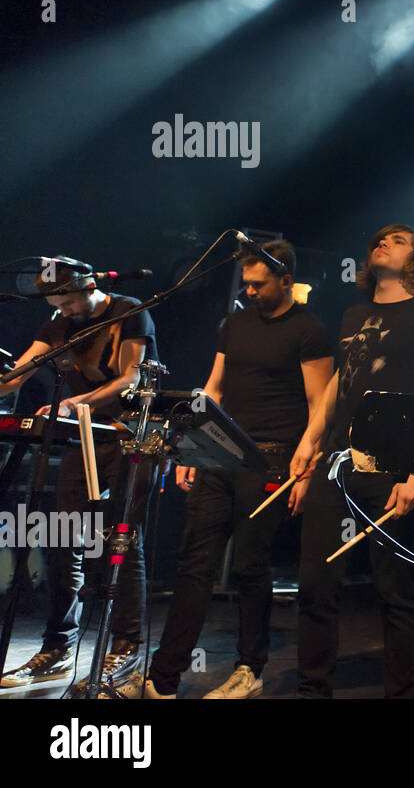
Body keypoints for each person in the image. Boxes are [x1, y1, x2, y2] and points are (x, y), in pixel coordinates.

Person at [125, 241, 333, 699]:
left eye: (260, 284)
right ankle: (163, 678)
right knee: (195, 562)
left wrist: (309, 466)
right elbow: (214, 387)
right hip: (220, 451)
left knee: (249, 566)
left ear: (285, 279)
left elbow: (321, 404)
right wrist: (190, 447)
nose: (252, 291)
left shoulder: (309, 330)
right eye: (247, 284)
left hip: (272, 456)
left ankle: (249, 669)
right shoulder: (234, 323)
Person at [293, 225, 414, 698]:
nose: (382, 242)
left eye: (399, 239)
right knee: (315, 586)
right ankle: (312, 691)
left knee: (398, 595)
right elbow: (337, 384)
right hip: (337, 466)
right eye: (379, 238)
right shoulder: (354, 314)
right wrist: (309, 441)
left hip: (393, 468)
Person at [0, 257, 158, 693]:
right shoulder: (56, 324)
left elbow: (129, 379)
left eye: (69, 302)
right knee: (63, 538)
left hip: (129, 436)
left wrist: (71, 403)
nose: (64, 312)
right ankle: (57, 647)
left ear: (89, 287)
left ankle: (125, 645)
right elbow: (17, 376)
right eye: (57, 305)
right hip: (81, 438)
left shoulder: (129, 311)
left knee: (120, 541)